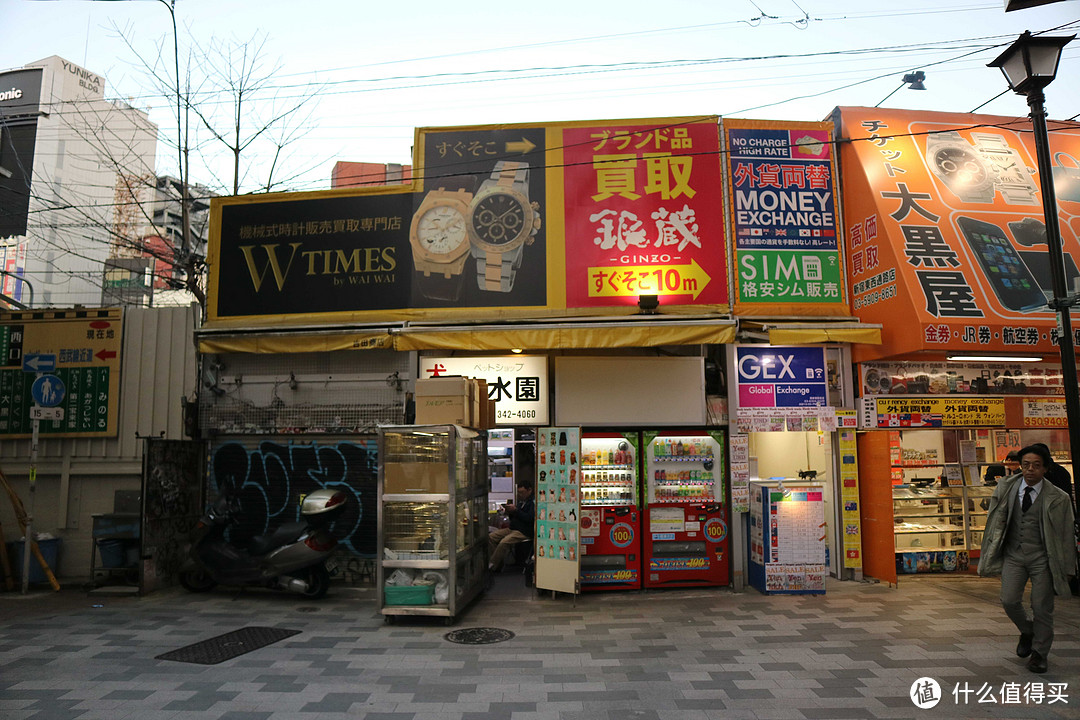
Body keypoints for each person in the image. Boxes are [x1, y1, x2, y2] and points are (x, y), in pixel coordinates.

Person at [978, 444, 1075, 674]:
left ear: (1045, 469)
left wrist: (1068, 569)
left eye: (1036, 465)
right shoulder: (1006, 488)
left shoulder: (1058, 498)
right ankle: (1027, 630)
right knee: (1009, 600)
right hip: (1014, 554)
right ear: (1020, 466)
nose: (1030, 469)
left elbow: (1065, 535)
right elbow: (994, 521)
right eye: (1026, 465)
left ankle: (1040, 654)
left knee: (1042, 607)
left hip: (1043, 557)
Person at [488, 480, 534, 572]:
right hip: (513, 528)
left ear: (529, 490)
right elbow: (515, 517)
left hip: (524, 530)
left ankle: (492, 565)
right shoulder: (521, 502)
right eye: (519, 493)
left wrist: (516, 511)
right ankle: (498, 563)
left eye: (522, 492)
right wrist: (510, 512)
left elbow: (529, 518)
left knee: (504, 542)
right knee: (491, 537)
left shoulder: (532, 503)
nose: (520, 495)